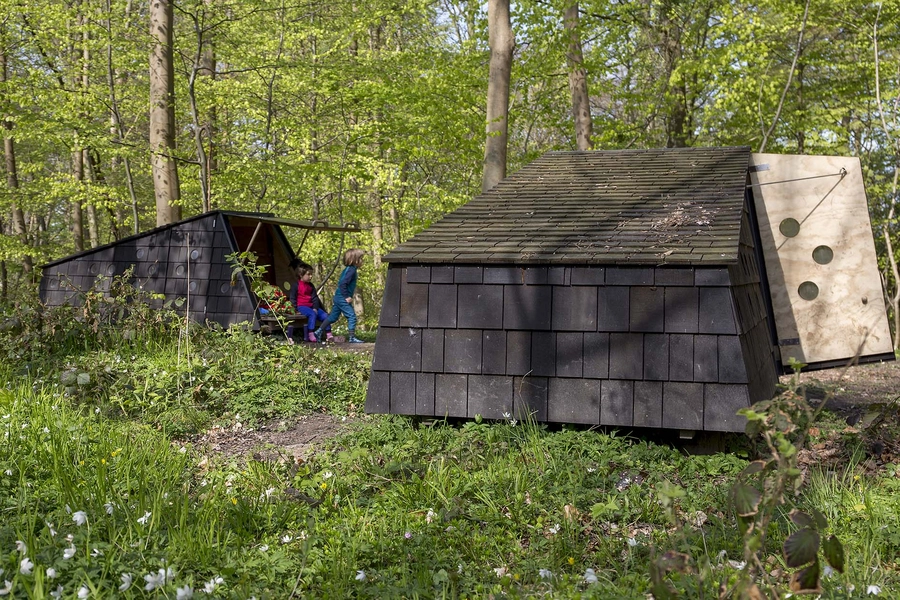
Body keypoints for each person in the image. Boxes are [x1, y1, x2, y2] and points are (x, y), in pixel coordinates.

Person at [313, 248, 365, 343]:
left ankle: (318, 332)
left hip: (338, 296)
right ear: (354, 260)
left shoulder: (348, 269)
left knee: (333, 317)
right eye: (361, 258)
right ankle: (352, 338)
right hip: (342, 297)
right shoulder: (351, 270)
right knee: (352, 316)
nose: (362, 261)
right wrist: (346, 296)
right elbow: (342, 284)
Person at [289, 265, 332, 342]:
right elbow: (292, 298)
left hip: (311, 306)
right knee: (312, 314)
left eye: (311, 274)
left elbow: (315, 298)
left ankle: (329, 334)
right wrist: (295, 309)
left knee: (325, 315)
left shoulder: (311, 286)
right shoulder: (296, 285)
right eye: (308, 274)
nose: (311, 276)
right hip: (301, 306)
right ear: (301, 275)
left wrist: (315, 308)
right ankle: (310, 333)